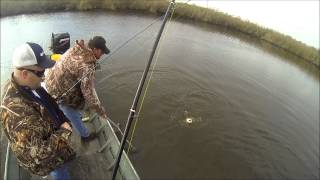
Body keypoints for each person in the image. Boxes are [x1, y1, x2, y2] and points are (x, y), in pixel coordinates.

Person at [0, 42, 75, 179]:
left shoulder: (29, 84)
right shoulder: (16, 115)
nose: (44, 77)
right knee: (60, 172)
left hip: (54, 135)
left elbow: (48, 104)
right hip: (50, 159)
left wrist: (62, 118)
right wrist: (65, 132)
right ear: (24, 74)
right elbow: (37, 155)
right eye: (41, 72)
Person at [45, 36, 110, 142]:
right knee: (70, 110)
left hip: (50, 81)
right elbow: (89, 94)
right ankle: (85, 136)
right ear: (95, 49)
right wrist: (100, 111)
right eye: (102, 52)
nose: (102, 55)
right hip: (58, 91)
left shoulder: (76, 49)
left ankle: (73, 114)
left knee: (74, 103)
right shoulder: (87, 66)